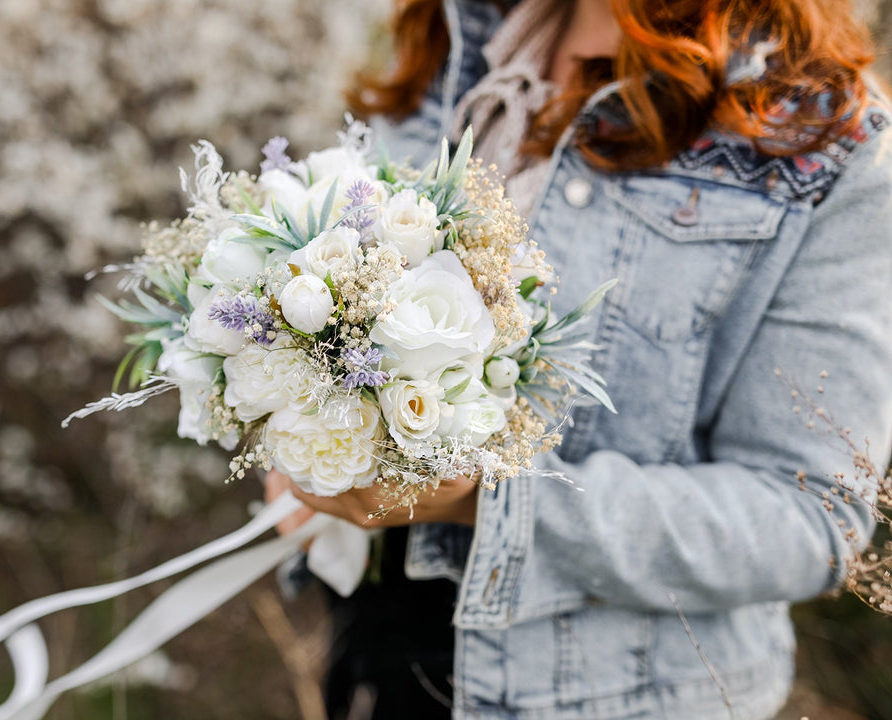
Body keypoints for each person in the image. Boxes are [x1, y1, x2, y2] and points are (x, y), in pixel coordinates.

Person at [266, 0, 892, 717]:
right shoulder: (457, 40)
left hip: (608, 696)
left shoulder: (830, 143)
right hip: (381, 651)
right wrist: (300, 434)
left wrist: (490, 498)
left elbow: (809, 521)